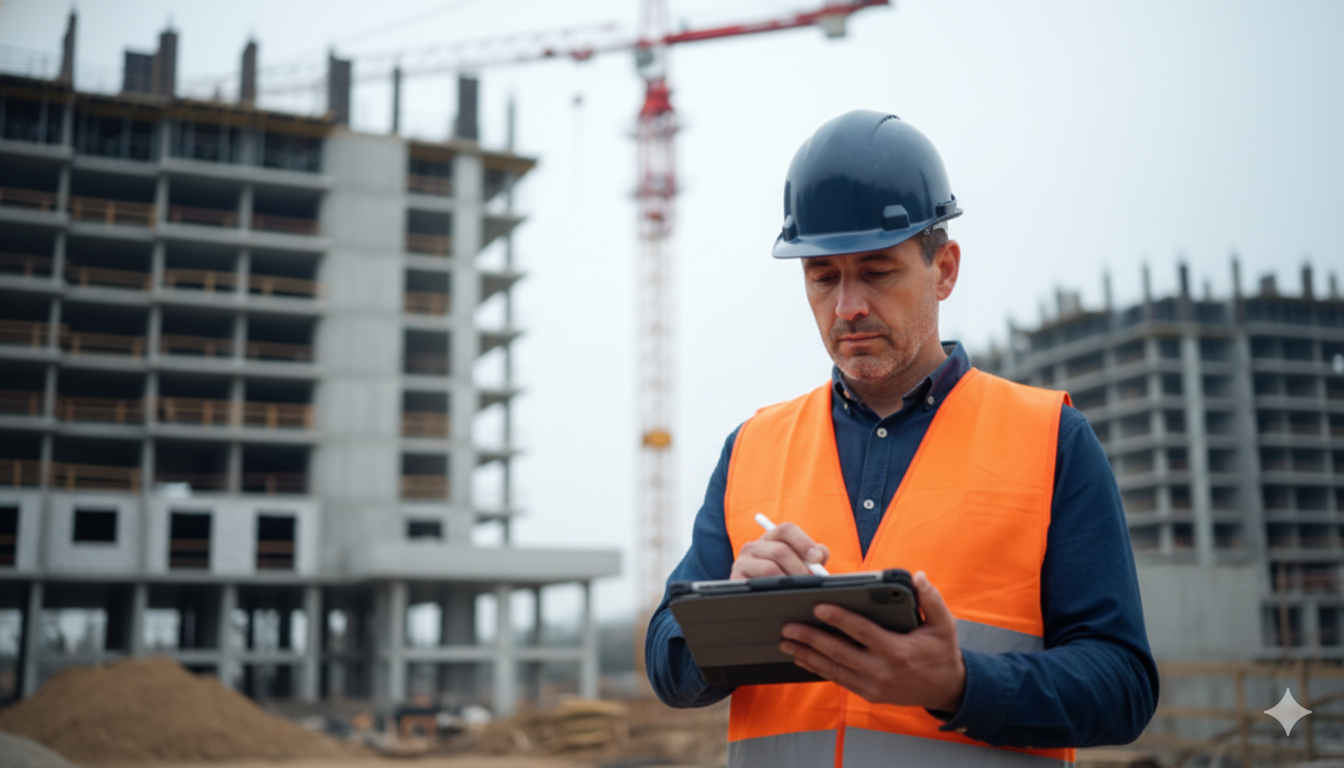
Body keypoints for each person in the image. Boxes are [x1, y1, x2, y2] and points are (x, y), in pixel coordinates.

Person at [644, 110, 1158, 768]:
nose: (847, 307)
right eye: (823, 277)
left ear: (943, 269)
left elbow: (1124, 687)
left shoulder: (1051, 440)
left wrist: (960, 685)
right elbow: (667, 656)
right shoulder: (752, 448)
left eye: (877, 272)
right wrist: (732, 621)